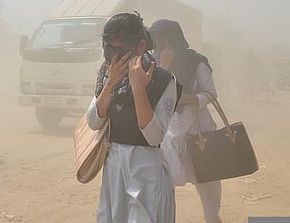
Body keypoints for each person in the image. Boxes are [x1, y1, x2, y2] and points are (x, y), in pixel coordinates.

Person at [87, 13, 180, 223]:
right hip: (114, 170)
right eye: (109, 49)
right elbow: (94, 121)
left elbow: (153, 136)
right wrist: (111, 83)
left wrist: (139, 89)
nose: (115, 57)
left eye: (121, 50)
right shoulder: (106, 75)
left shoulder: (164, 80)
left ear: (140, 46)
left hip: (146, 171)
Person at [149, 19, 222, 223]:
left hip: (199, 129)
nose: (158, 45)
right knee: (164, 182)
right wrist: (164, 65)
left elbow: (211, 93)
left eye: (162, 40)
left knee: (207, 182)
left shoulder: (196, 61)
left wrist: (189, 99)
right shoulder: (153, 63)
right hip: (169, 132)